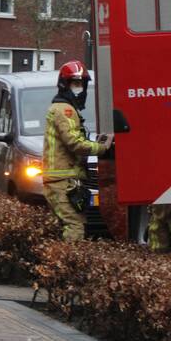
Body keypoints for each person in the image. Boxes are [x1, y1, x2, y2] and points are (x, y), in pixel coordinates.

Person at [42, 61, 111, 242]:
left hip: (63, 179)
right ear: (65, 84)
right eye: (75, 83)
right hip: (63, 180)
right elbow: (74, 143)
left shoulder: (63, 108)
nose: (79, 88)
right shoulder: (65, 110)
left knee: (65, 224)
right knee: (74, 225)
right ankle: (69, 264)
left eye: (81, 84)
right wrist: (103, 148)